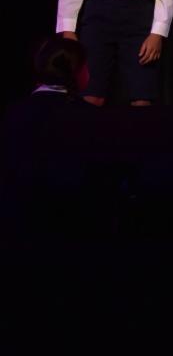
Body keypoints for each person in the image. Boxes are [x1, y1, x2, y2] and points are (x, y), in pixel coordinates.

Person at [0, 36, 100, 238]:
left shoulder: (15, 112)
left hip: (18, 222)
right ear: (78, 71)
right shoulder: (88, 116)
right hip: (75, 222)